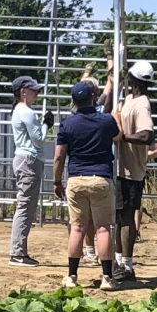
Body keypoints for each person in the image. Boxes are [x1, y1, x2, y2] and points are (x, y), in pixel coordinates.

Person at [52, 77, 119, 290]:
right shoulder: (106, 121)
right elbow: (118, 136)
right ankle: (107, 277)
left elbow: (59, 157)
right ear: (93, 98)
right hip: (101, 178)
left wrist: (56, 181)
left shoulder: (67, 124)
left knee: (77, 228)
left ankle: (72, 276)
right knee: (103, 229)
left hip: (76, 179)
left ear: (73, 100)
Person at [111, 57, 157, 283]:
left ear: (132, 79)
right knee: (119, 216)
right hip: (122, 168)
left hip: (132, 170)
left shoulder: (142, 104)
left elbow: (147, 135)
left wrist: (124, 137)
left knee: (127, 216)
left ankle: (127, 265)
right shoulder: (129, 99)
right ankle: (119, 261)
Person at [7, 75, 45, 267]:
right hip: (29, 160)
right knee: (26, 206)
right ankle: (17, 252)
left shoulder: (19, 110)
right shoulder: (27, 112)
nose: (36, 93)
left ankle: (19, 251)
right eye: (33, 90)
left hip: (25, 159)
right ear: (23, 91)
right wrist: (46, 125)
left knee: (26, 206)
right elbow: (38, 139)